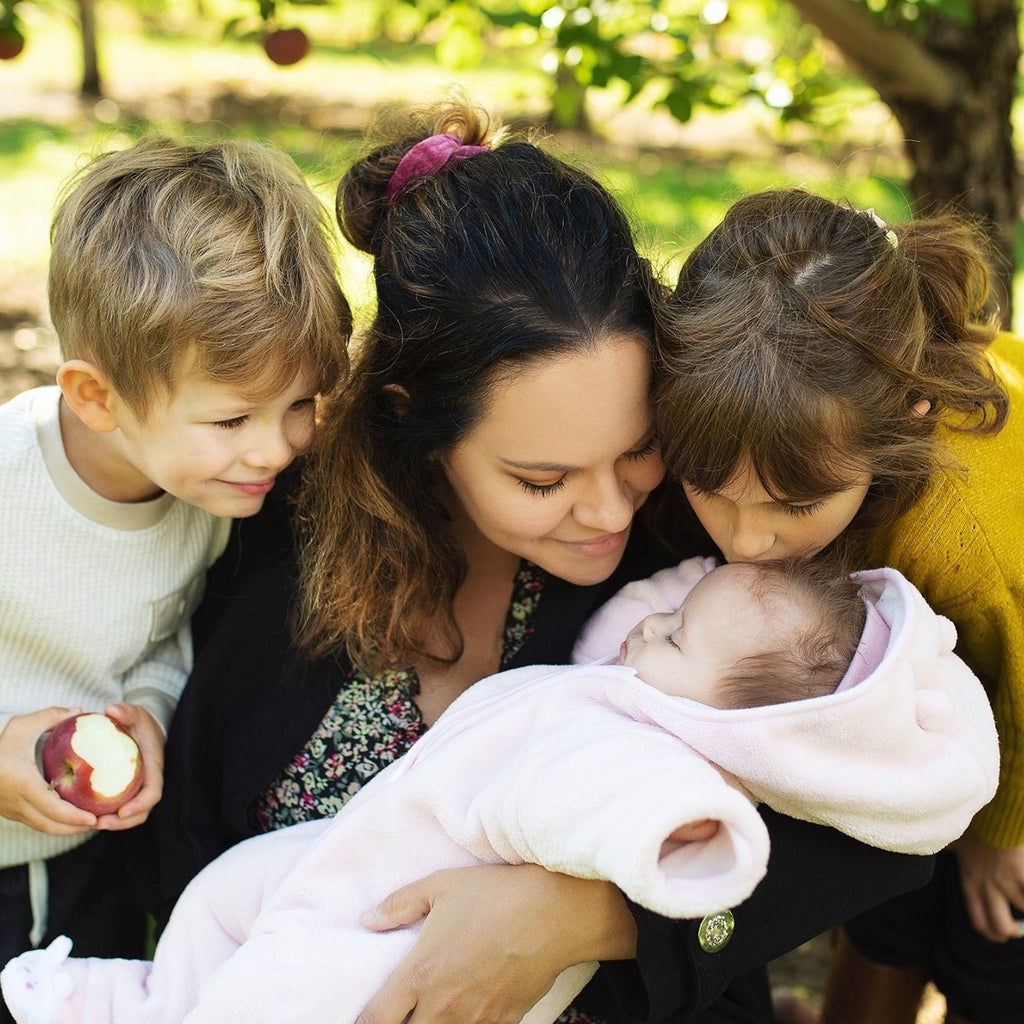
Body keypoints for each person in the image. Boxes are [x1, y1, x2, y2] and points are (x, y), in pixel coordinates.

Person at [140, 102, 936, 1024]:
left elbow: (900, 806)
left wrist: (592, 916)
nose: (606, 509)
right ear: (417, 420)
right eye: (542, 478)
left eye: (636, 447)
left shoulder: (706, 543)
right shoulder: (270, 532)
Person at [1, 557, 999, 1024]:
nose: (609, 510)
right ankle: (145, 997)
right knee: (229, 899)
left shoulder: (656, 751)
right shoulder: (661, 658)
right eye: (544, 476)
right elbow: (673, 615)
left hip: (394, 951)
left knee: (298, 996)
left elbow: (608, 803)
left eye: (678, 636)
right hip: (351, 865)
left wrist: (609, 894)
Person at [0, 133, 351, 1017]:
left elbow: (162, 637)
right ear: (95, 397)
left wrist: (148, 716)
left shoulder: (205, 492)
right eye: (233, 417)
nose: (276, 447)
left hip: (92, 866)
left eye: (299, 404)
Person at [654, 186, 1024, 1024]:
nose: (747, 542)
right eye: (714, 491)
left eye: (794, 506)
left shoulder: (965, 533)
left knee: (993, 942)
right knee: (893, 899)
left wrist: (1001, 832)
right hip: (953, 683)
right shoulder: (785, 417)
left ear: (907, 418)